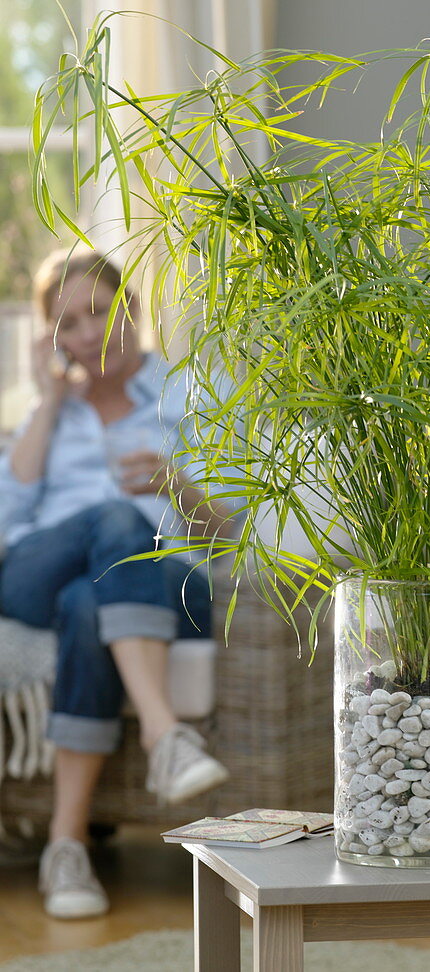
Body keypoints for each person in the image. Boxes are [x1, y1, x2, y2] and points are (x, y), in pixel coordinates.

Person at [0, 249, 236, 920]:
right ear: (52, 339)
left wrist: (173, 485)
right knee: (110, 522)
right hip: (32, 578)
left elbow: (222, 535)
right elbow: (7, 514)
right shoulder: (49, 412)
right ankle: (166, 737)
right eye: (67, 323)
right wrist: (47, 403)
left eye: (100, 312)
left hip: (161, 584)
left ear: (132, 311)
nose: (87, 333)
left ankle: (65, 849)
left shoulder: (185, 395)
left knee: (90, 598)